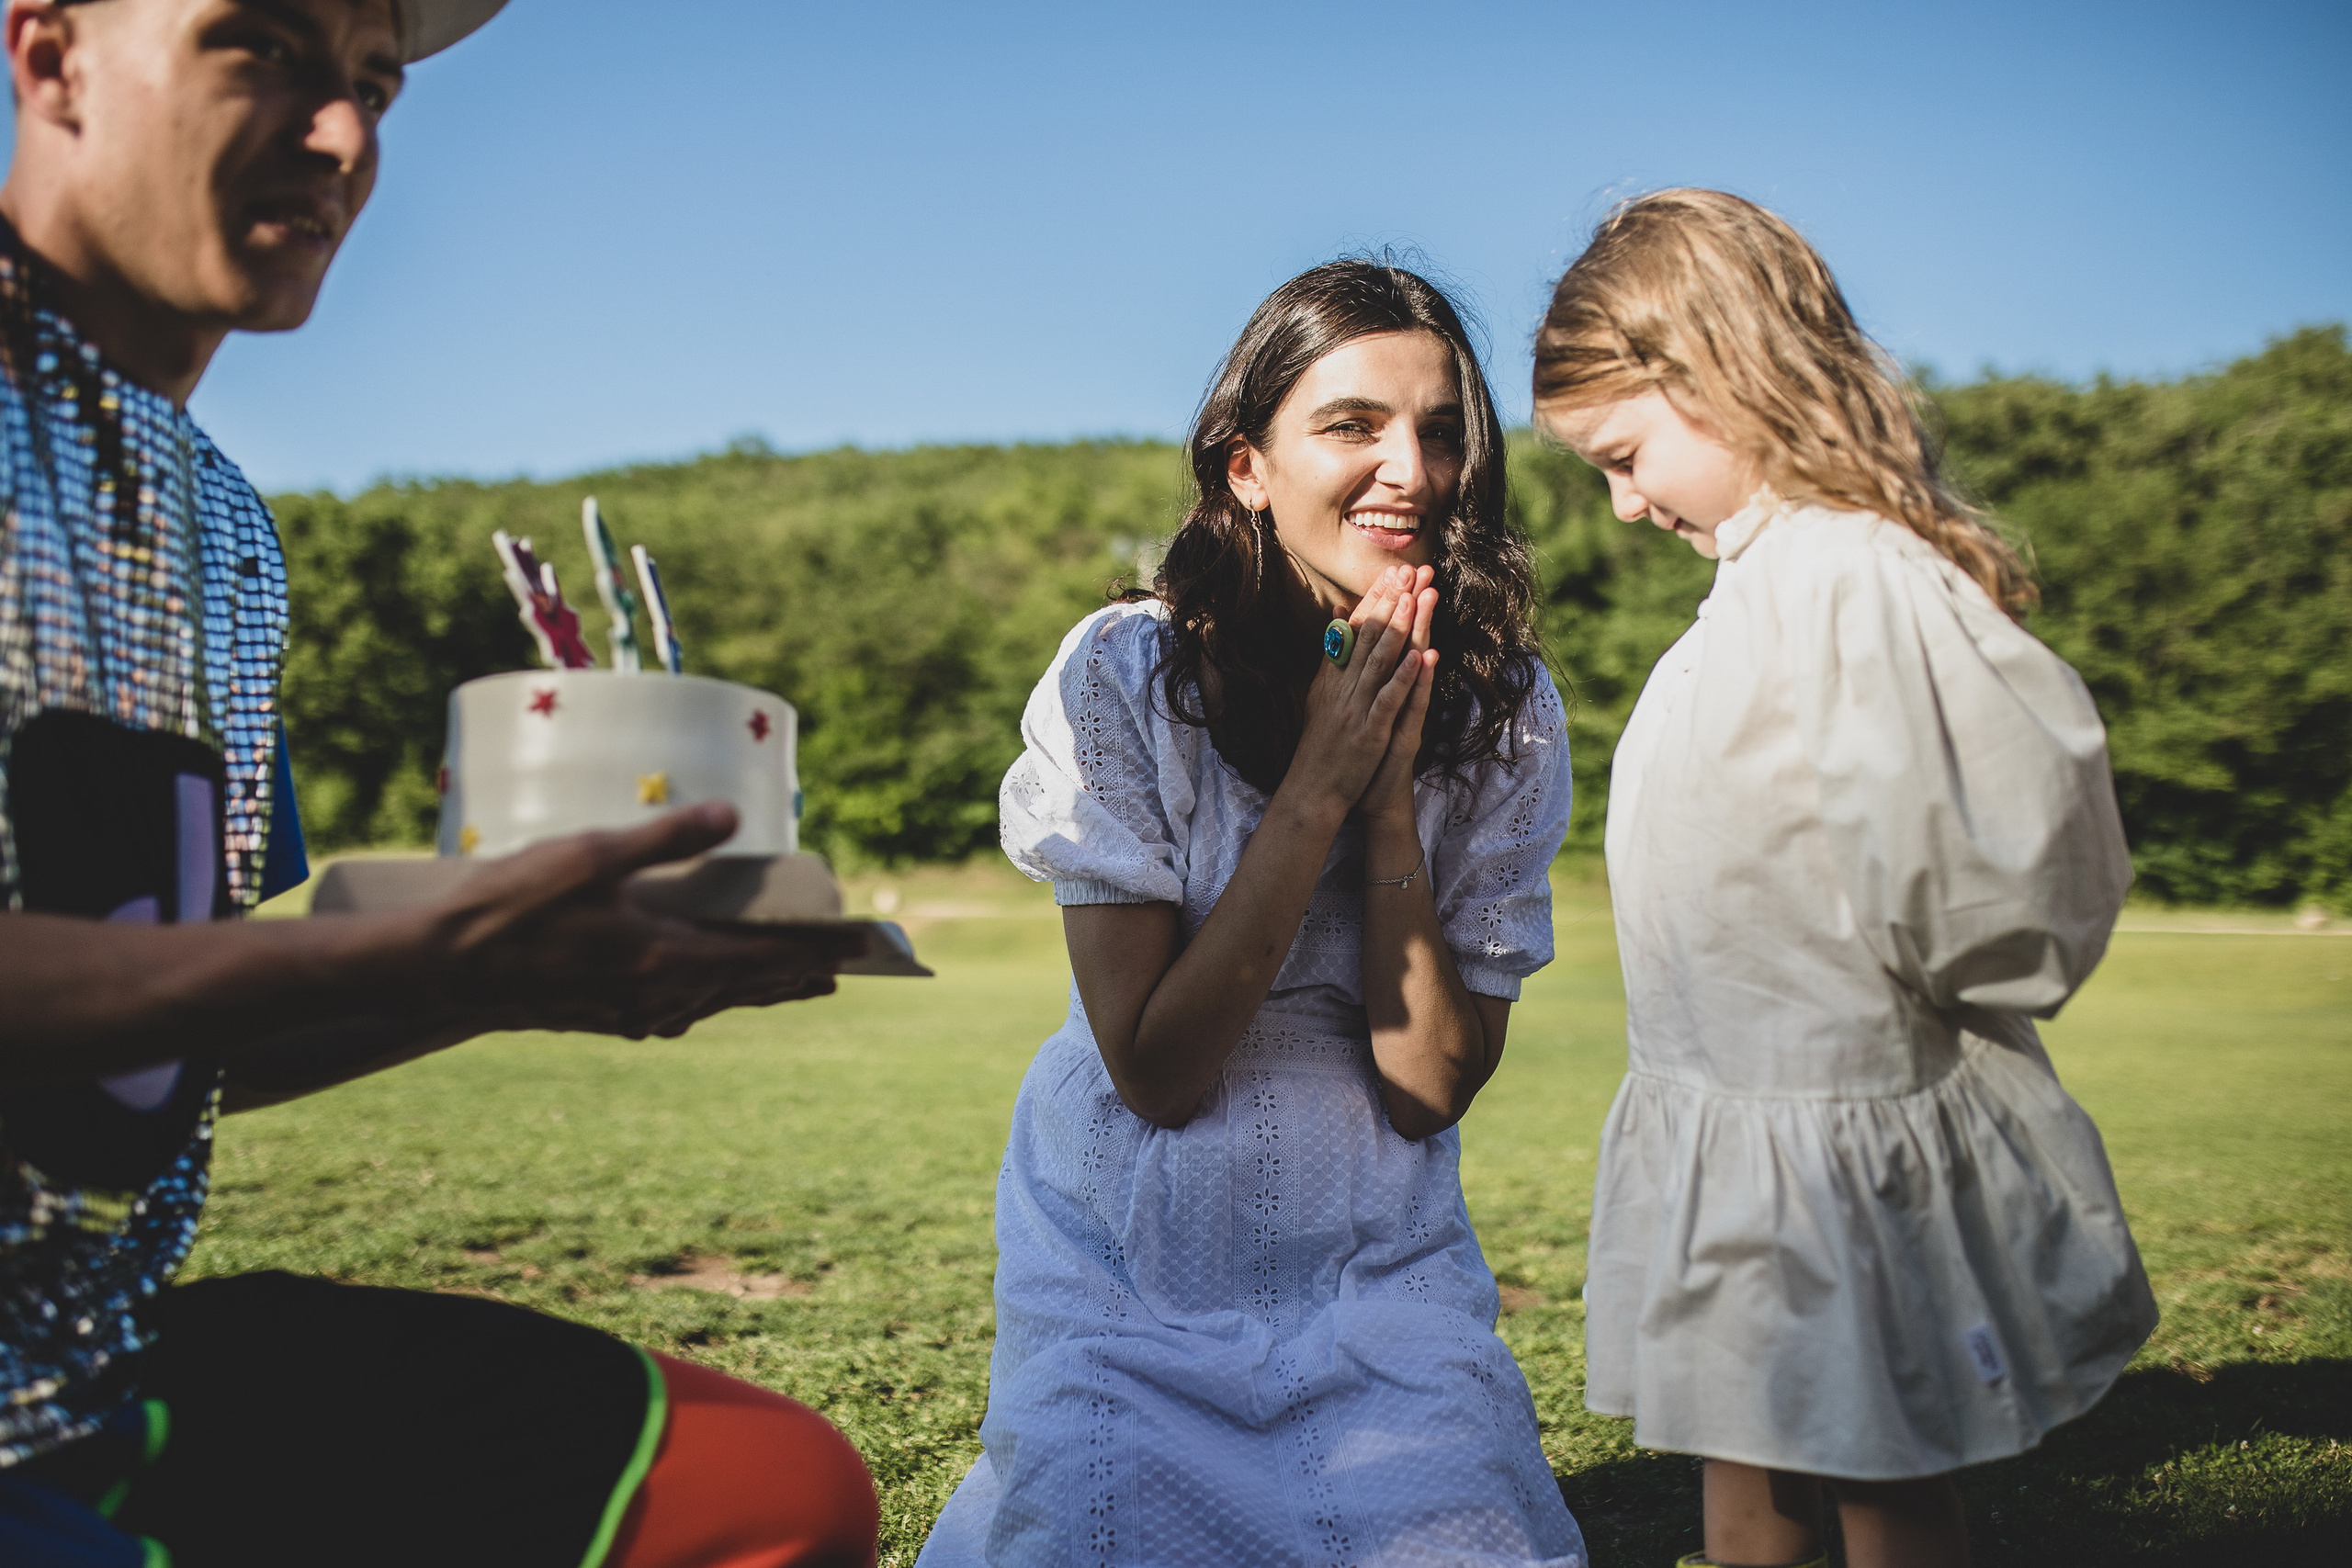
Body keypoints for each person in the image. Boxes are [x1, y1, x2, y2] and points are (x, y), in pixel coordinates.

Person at [0, 4, 877, 1564]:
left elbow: (179, 1033)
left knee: (772, 1500)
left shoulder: (223, 527)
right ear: (50, 56)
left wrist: (519, 968)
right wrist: (400, 943)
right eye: (258, 46)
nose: (343, 139)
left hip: (103, 1379)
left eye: (374, 80)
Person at [917, 260, 1588, 1567]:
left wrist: (1390, 802)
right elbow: (1160, 1071)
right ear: (1245, 466)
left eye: (1441, 432)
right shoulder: (1126, 675)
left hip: (1375, 1269)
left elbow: (1427, 1088)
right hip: (1131, 1258)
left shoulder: (1506, 711)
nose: (1411, 468)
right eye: (1353, 425)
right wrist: (1320, 785)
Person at [1531, 187, 2159, 1568]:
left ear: (1720, 371)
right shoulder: (1760, 584)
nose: (1626, 506)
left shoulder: (1854, 578)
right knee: (1747, 1492)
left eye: (1627, 456)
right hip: (1729, 1116)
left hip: (1825, 1131)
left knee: (1883, 1479)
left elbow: (1969, 849)